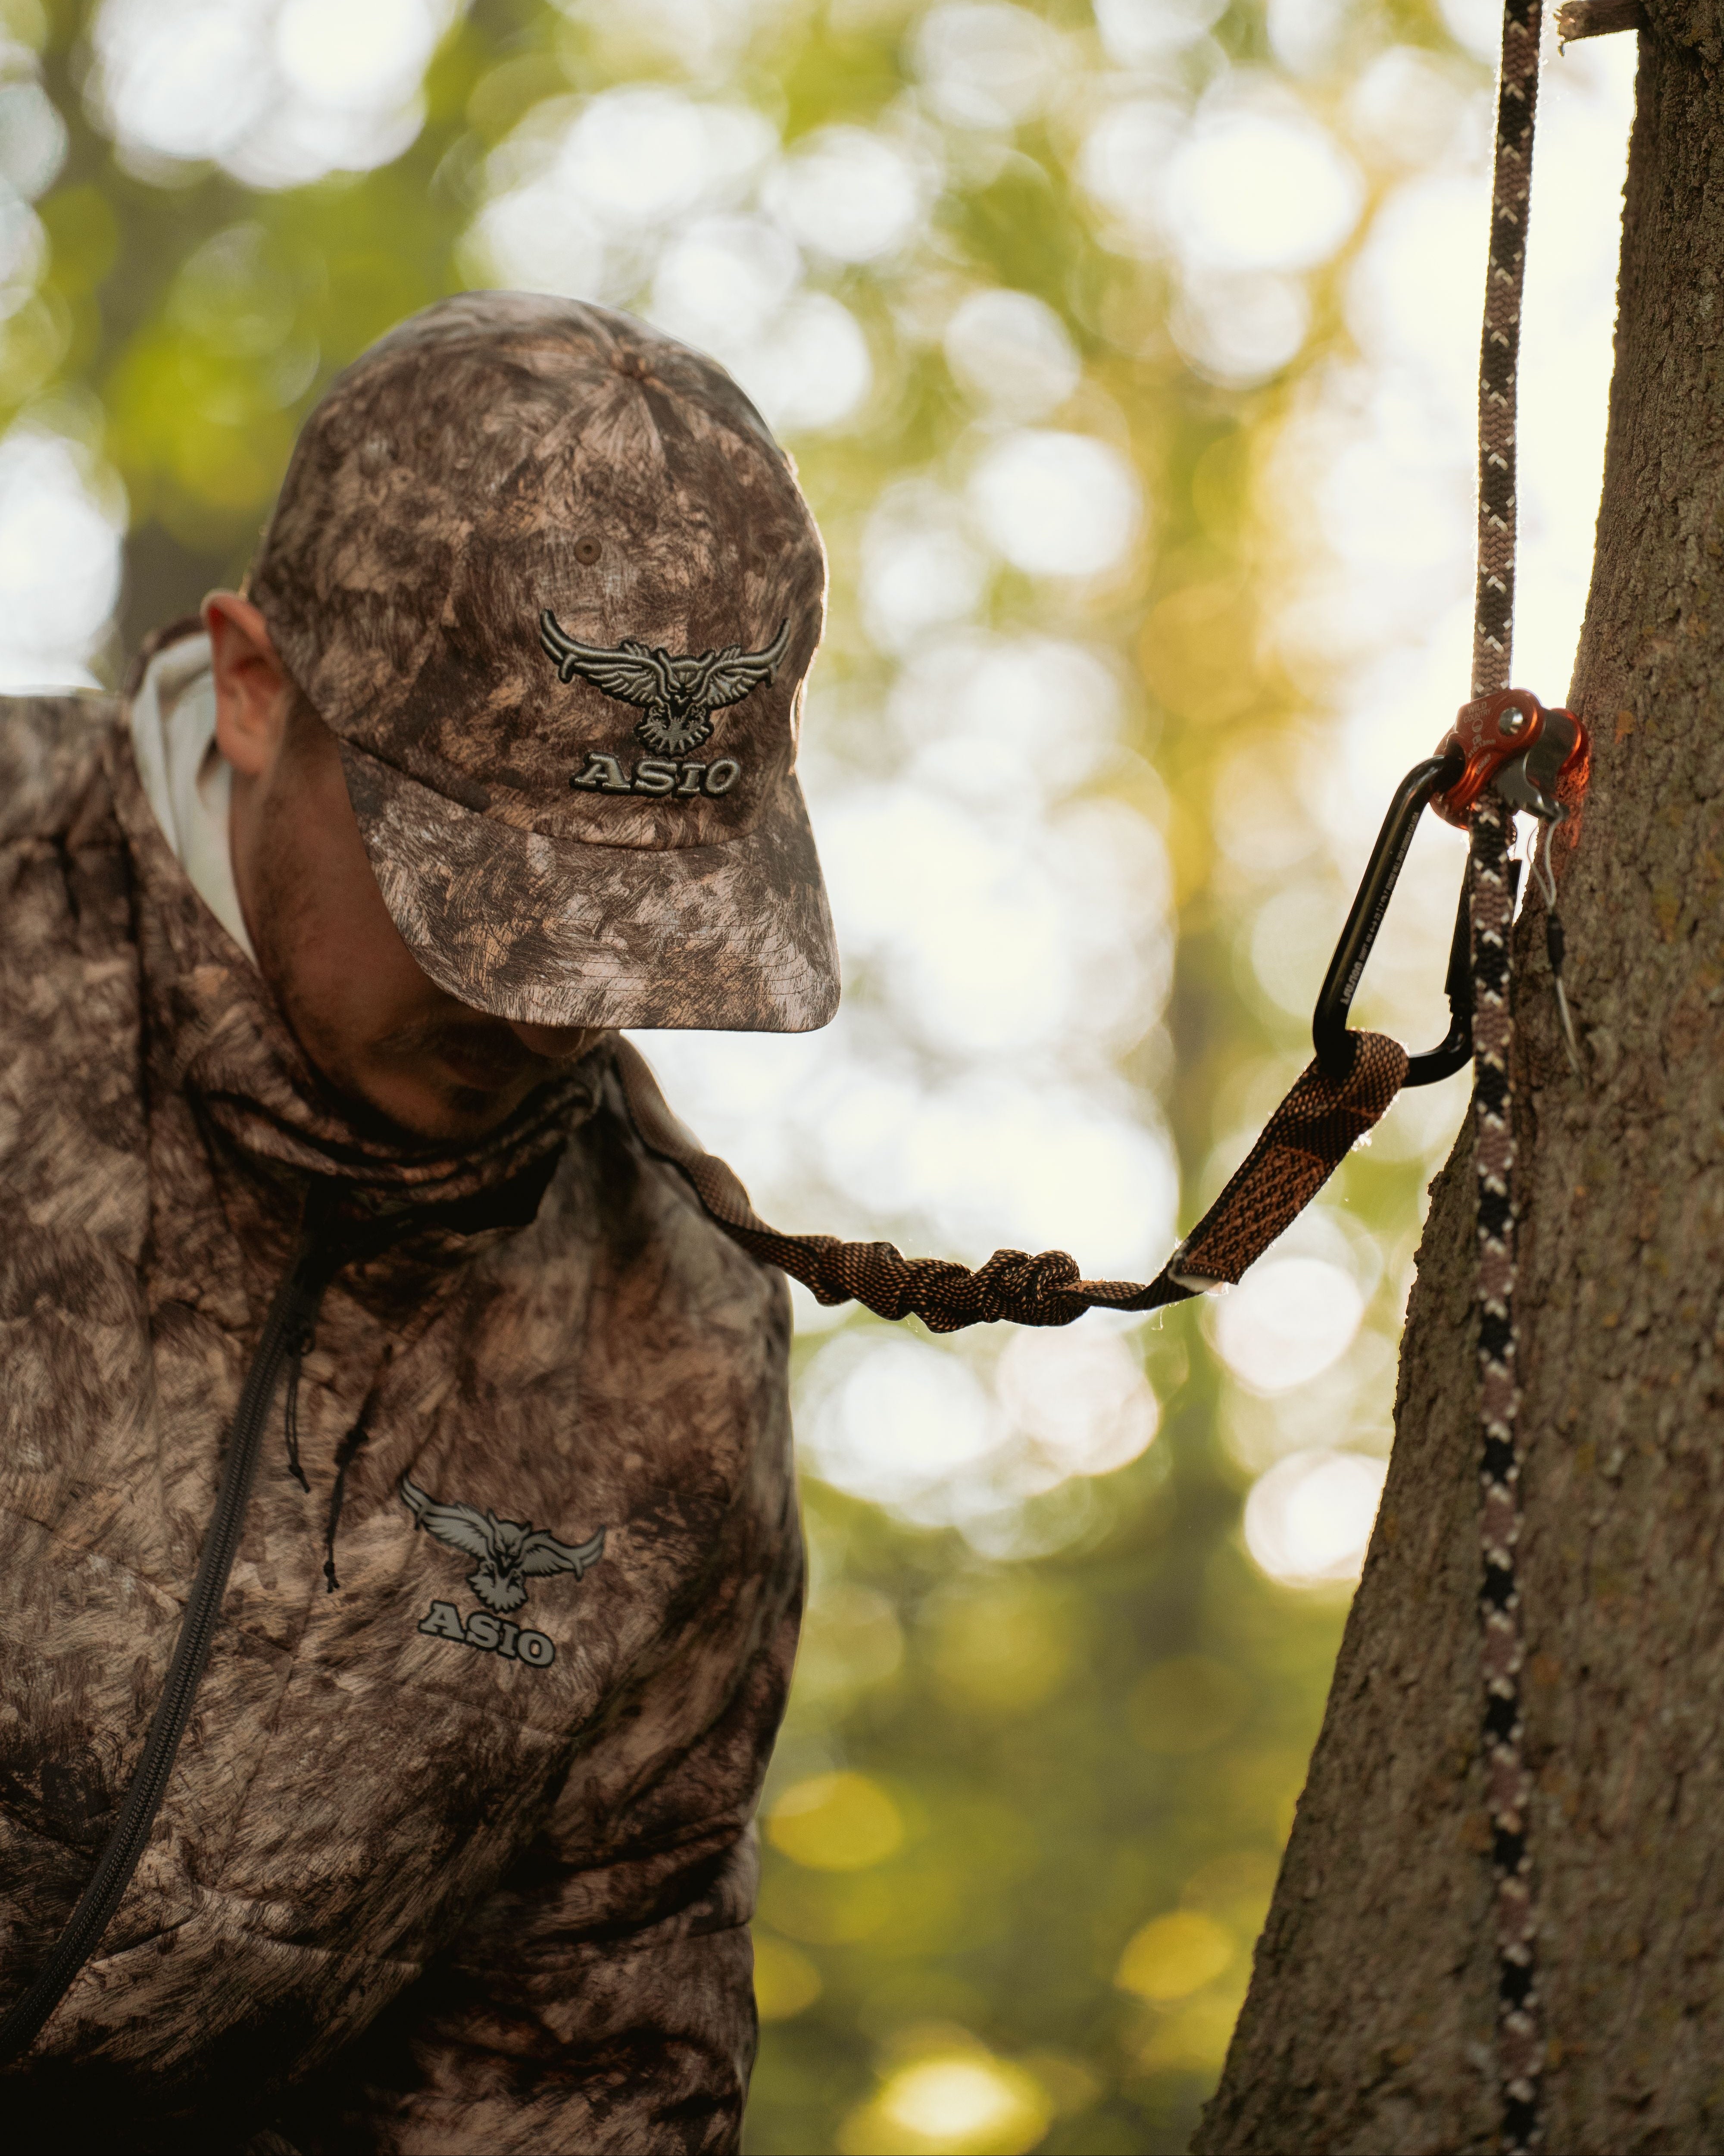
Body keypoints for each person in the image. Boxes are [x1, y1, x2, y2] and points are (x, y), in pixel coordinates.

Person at [0, 291, 840, 2155]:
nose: (545, 1012)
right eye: (476, 899)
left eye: (615, 932)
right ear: (252, 684)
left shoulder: (672, 1355)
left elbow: (576, 2072)